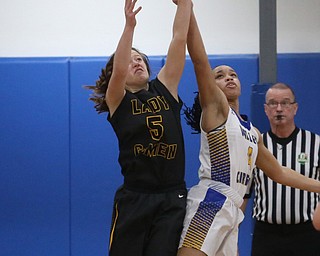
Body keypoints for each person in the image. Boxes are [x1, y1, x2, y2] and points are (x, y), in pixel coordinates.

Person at [177, 4, 320, 256]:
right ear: (210, 86)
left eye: (233, 74)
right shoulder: (217, 109)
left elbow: (280, 172)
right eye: (220, 75)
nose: (229, 77)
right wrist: (187, 7)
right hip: (212, 198)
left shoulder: (253, 132)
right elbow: (199, 59)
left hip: (233, 210)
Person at [85, 0, 192, 255]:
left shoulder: (165, 88)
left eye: (140, 58)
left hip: (171, 196)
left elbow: (179, 40)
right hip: (135, 197)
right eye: (131, 59)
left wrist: (185, 4)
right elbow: (119, 69)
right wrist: (129, 25)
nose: (137, 62)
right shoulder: (118, 100)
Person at [249, 83, 320, 256]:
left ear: (295, 108)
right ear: (266, 109)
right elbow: (244, 193)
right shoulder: (255, 146)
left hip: (306, 233)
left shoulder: (316, 143)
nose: (279, 109)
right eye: (273, 103)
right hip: (266, 234)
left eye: (286, 103)